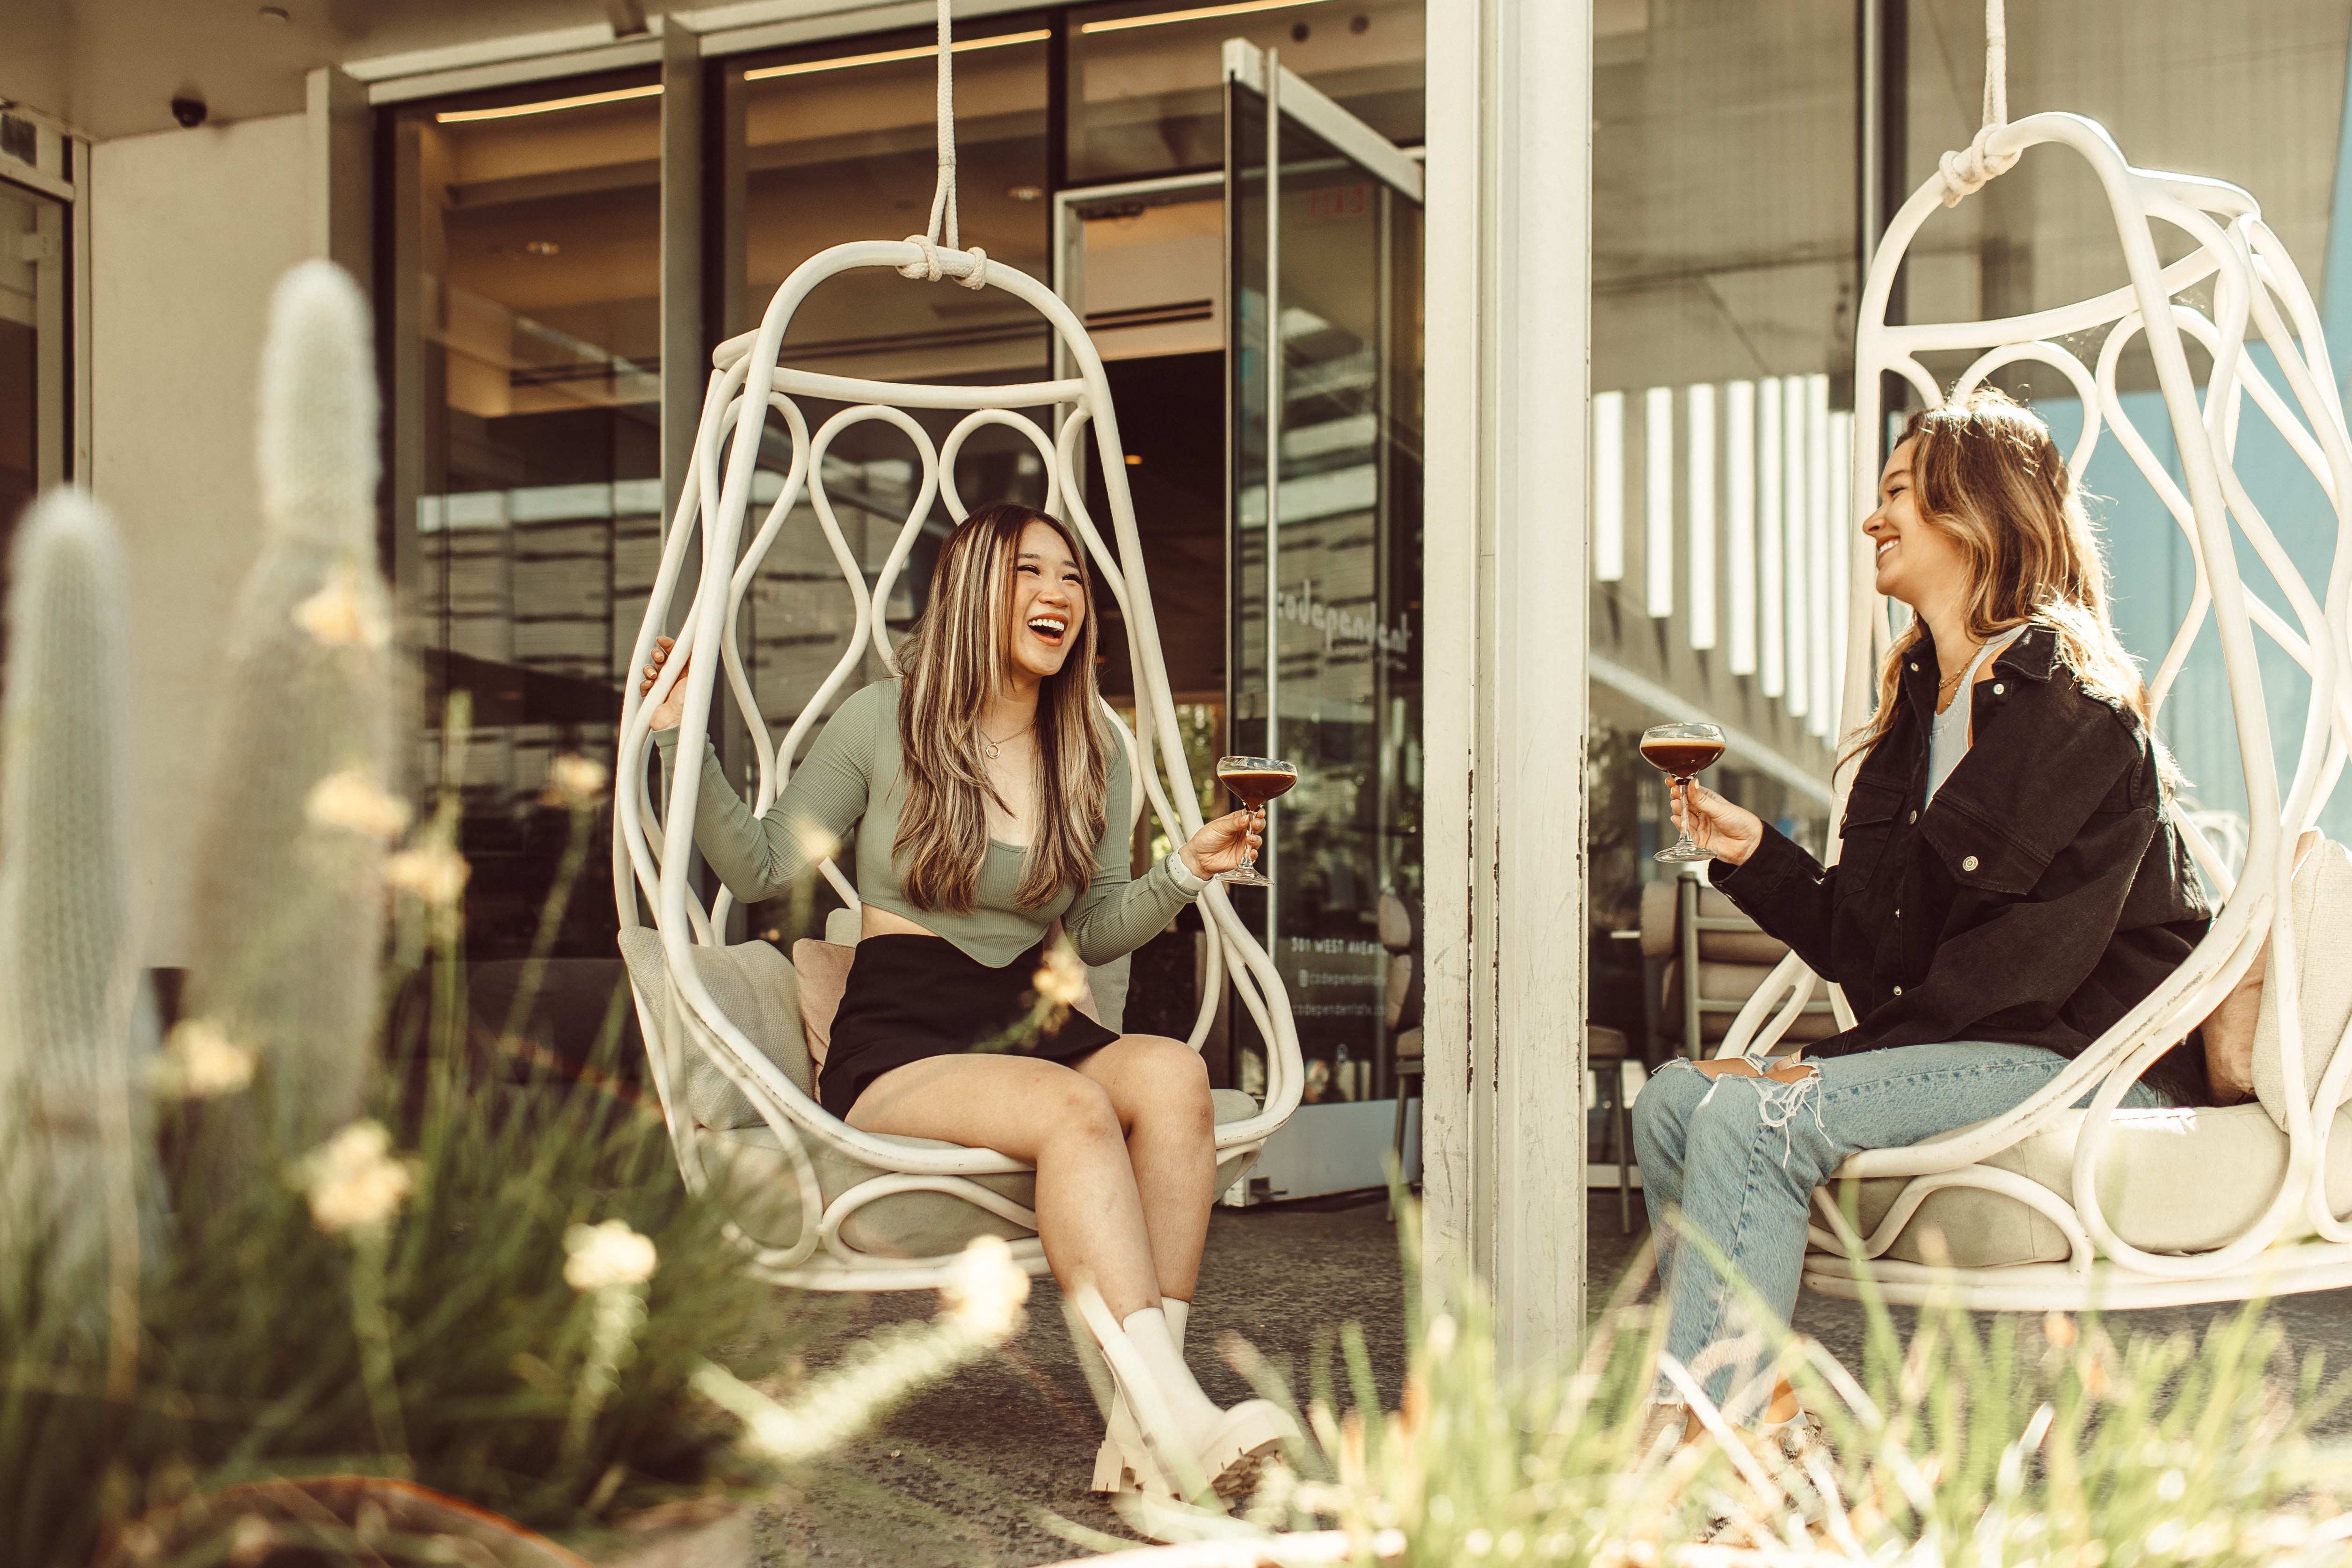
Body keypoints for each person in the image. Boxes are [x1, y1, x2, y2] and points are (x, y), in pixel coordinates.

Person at [641, 501, 1287, 1499]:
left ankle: (1141, 1434)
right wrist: (685, 737)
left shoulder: (1095, 746)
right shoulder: (884, 717)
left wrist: (1186, 871)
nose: (1059, 594)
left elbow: (1103, 923)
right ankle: (1179, 1415)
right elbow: (764, 862)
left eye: (1073, 578)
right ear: (976, 588)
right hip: (905, 1030)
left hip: (1034, 1015)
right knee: (1070, 1107)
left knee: (1172, 1070)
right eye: (1032, 571)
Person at [1633, 388, 2212, 1457]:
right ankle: (1757, 1413)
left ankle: (1706, 1447)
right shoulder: (1913, 715)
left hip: (2073, 1056)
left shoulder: (2071, 705)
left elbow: (2023, 976)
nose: (1873, 518)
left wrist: (1820, 1069)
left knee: (1757, 1112)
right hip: (1971, 1038)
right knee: (1673, 1100)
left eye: (1898, 491)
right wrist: (1753, 851)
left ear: (1977, 513)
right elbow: (1872, 950)